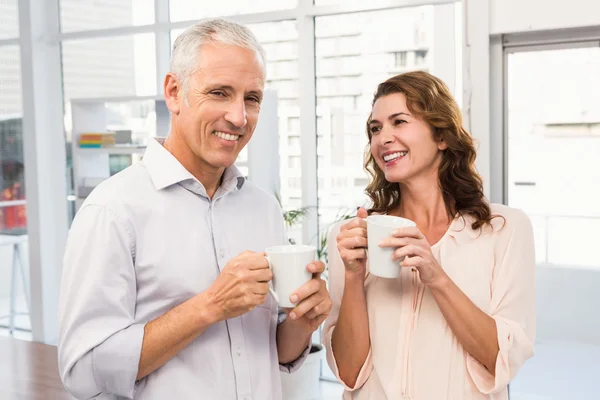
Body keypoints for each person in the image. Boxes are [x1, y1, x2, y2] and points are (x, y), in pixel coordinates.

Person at [58, 18, 332, 400]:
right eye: (220, 93)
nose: (239, 117)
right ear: (174, 92)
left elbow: (275, 352)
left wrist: (304, 322)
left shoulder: (263, 209)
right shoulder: (112, 211)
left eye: (251, 98)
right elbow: (83, 371)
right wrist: (209, 306)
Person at [322, 71, 535, 400]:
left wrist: (435, 275)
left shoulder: (504, 230)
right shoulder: (353, 238)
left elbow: (500, 359)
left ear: (442, 136)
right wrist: (353, 276)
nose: (383, 138)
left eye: (399, 121)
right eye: (375, 129)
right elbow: (349, 372)